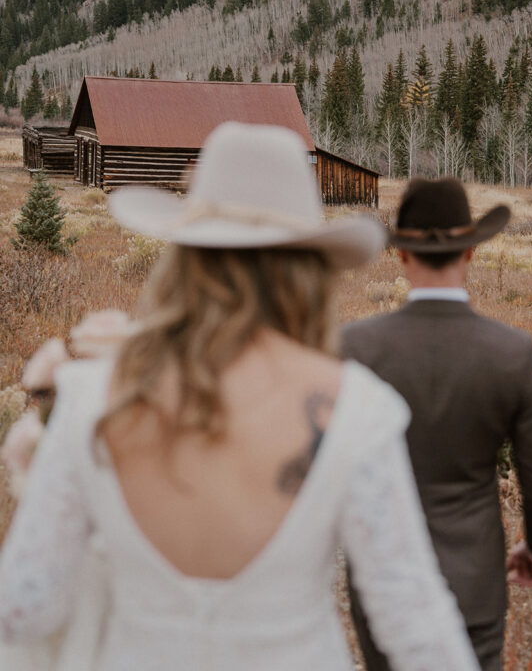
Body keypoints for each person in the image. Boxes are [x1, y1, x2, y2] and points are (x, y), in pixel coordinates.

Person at [0, 124, 481, 671]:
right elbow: (416, 625)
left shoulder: (93, 399)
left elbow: (26, 608)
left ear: (183, 256)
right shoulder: (357, 412)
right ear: (311, 270)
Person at [342, 177, 532, 671]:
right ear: (471, 253)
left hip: (383, 581)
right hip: (474, 580)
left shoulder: (355, 347)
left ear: (401, 256)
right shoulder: (511, 352)